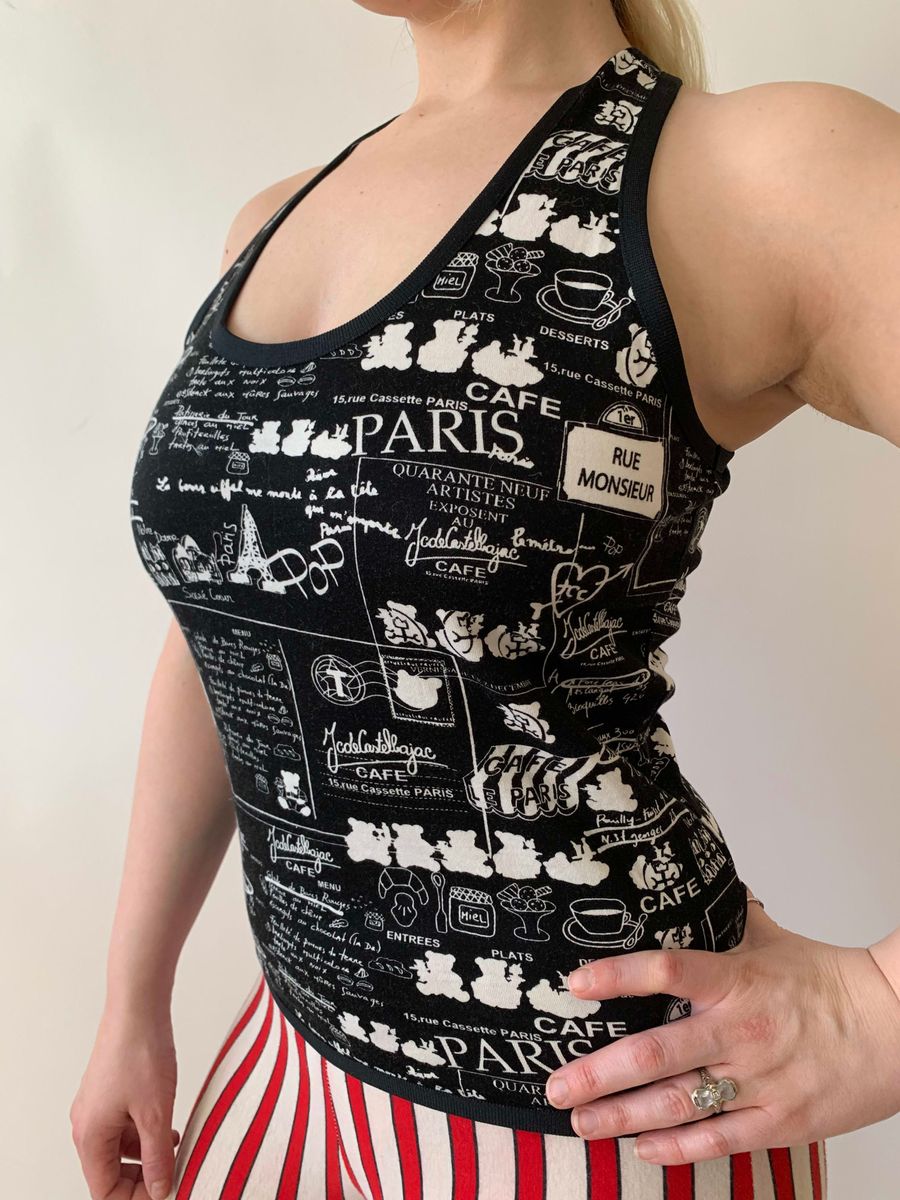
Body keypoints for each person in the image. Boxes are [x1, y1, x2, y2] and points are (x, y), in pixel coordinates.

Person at [71, 1, 900, 1197]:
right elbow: (230, 639)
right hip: (292, 1048)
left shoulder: (749, 173)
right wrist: (131, 999)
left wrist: (880, 1008)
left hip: (593, 1105)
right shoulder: (273, 220)